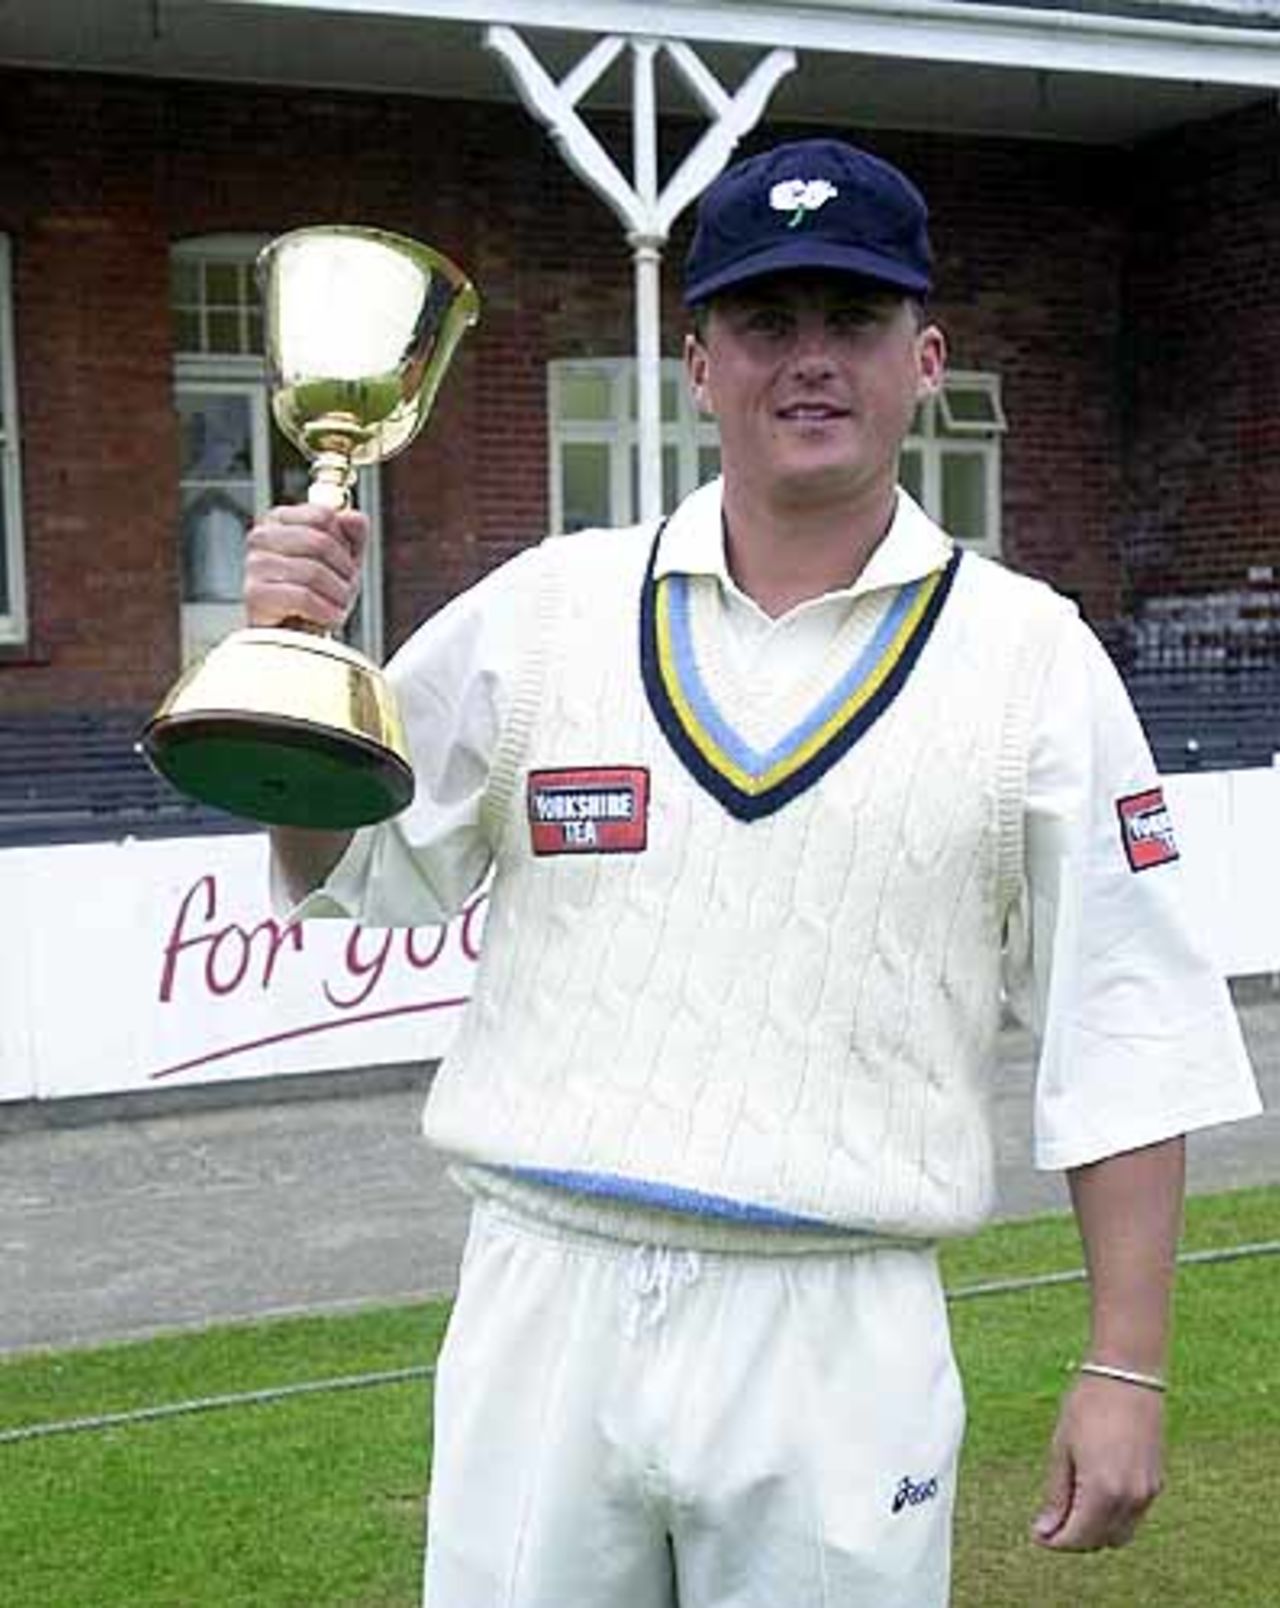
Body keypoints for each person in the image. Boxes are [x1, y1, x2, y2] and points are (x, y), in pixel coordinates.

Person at [247, 138, 1261, 1607]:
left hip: (838, 1327)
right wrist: (295, 683)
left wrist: (1126, 1365)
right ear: (698, 361)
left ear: (924, 359)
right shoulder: (543, 611)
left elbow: (1127, 1032)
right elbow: (356, 870)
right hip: (547, 1295)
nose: (809, 362)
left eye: (849, 321)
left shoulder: (1036, 659)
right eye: (766, 322)